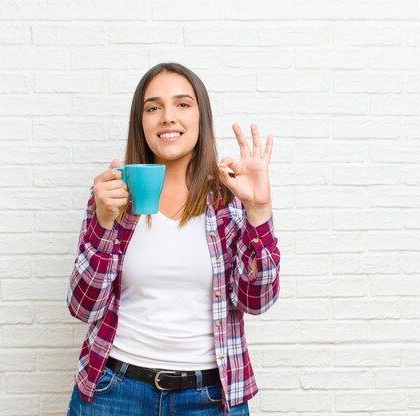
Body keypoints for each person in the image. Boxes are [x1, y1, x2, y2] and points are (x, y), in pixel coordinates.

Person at [66, 62, 281, 416]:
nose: (168, 117)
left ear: (201, 118)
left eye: (182, 104)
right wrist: (103, 224)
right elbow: (83, 307)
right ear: (142, 122)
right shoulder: (113, 198)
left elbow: (256, 302)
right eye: (153, 107)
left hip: (210, 398)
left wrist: (258, 211)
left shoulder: (229, 199)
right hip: (113, 392)